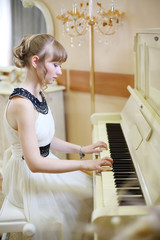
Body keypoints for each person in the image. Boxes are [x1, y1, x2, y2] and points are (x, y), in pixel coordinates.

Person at [2, 34, 113, 240]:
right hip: (28, 176)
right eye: (55, 64)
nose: (60, 72)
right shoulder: (22, 104)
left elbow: (46, 139)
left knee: (93, 193)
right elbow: (35, 163)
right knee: (89, 199)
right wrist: (83, 165)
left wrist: (81, 150)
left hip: (43, 165)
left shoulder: (36, 94)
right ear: (35, 61)